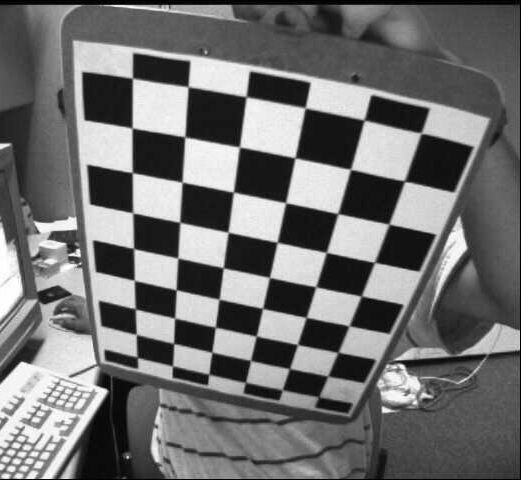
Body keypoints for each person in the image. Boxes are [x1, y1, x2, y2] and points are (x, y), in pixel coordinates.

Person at [53, 5, 520, 477]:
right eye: (256, 11)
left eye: (317, 13)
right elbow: (170, 291)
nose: (282, 25)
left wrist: (452, 84)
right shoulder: (185, 189)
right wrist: (110, 314)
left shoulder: (378, 232)